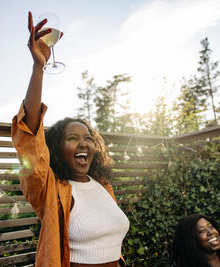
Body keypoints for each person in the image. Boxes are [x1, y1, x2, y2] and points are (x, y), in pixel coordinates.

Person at [11, 11, 130, 267]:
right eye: (73, 138)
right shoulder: (50, 190)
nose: (84, 143)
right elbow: (30, 136)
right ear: (56, 148)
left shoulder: (103, 186)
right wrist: (38, 67)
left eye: (88, 138)